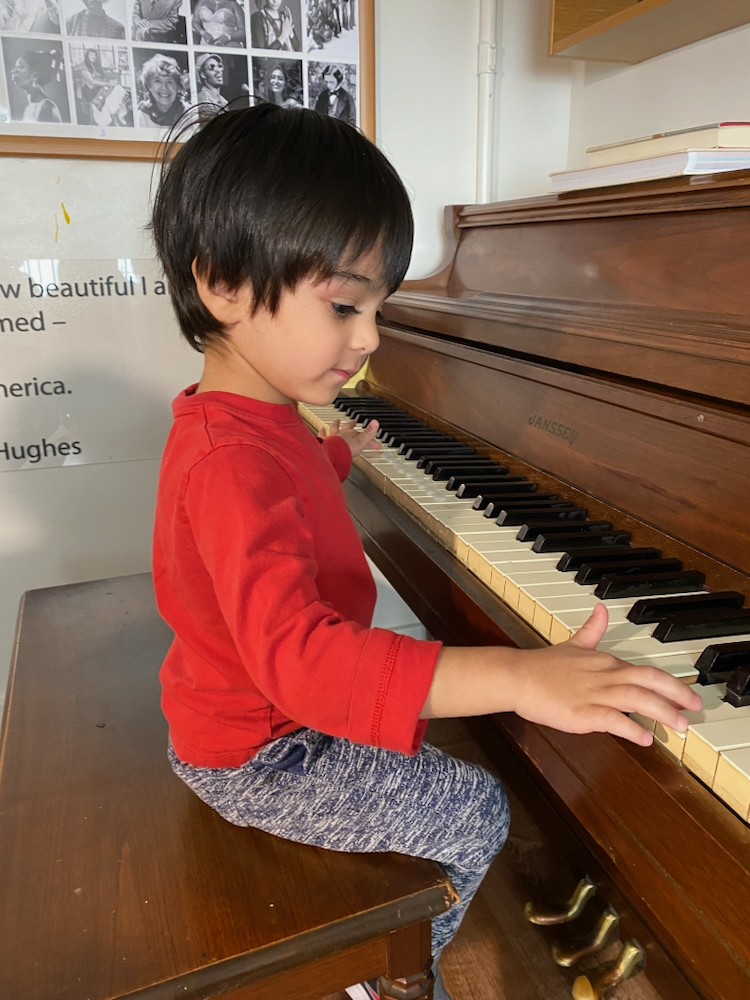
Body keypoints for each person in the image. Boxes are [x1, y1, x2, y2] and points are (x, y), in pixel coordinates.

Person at [149, 104, 699, 1000]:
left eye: (378, 308)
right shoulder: (231, 461)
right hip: (258, 750)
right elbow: (301, 663)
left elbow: (274, 503)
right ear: (222, 284)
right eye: (344, 305)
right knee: (474, 808)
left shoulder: (254, 419)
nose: (369, 338)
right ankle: (381, 977)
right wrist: (521, 678)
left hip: (260, 716)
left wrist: (336, 457)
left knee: (443, 777)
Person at [74, 47, 131, 126]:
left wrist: (110, 82)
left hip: (100, 87)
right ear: (87, 55)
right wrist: (107, 84)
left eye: (94, 55)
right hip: (90, 90)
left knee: (117, 88)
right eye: (90, 55)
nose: (93, 57)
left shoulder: (96, 65)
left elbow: (102, 78)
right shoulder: (83, 65)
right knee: (109, 97)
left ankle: (119, 113)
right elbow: (92, 81)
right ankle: (112, 116)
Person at [137, 52, 189, 128]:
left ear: (178, 86)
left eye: (169, 81)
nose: (164, 87)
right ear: (149, 86)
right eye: (157, 81)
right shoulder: (141, 115)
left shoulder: (190, 114)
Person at [10, 48, 63, 122]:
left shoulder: (45, 106)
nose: (13, 71)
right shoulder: (28, 108)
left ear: (35, 76)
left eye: (20, 67)